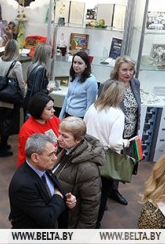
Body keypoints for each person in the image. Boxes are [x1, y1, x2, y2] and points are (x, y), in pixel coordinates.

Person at [8, 133, 76, 244]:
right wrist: (59, 198)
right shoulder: (23, 185)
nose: (55, 158)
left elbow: (54, 190)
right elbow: (48, 218)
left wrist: (67, 199)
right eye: (51, 154)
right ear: (35, 157)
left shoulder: (42, 167)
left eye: (55, 153)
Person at [83, 79, 128, 228]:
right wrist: (126, 143)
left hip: (86, 153)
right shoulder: (117, 114)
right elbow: (115, 143)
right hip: (103, 158)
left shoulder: (93, 107)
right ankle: (95, 224)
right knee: (102, 194)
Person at [53, 117, 104, 229]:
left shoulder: (88, 168)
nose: (58, 138)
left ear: (78, 140)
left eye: (65, 136)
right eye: (59, 133)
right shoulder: (63, 149)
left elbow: (90, 206)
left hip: (67, 221)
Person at [105, 55, 142, 206]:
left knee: (121, 163)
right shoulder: (109, 85)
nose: (128, 73)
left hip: (130, 131)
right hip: (114, 131)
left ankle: (113, 190)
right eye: (124, 70)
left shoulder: (135, 83)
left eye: (131, 70)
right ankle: (103, 194)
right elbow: (103, 108)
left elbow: (136, 107)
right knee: (109, 163)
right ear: (117, 70)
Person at [0, 39, 27, 157]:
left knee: (2, 121)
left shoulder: (0, 60)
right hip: (11, 97)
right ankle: (2, 147)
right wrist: (23, 94)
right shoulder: (16, 64)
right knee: (8, 123)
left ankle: (3, 144)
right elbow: (21, 83)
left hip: (1, 95)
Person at [17, 93, 60, 168]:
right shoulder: (27, 130)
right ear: (39, 110)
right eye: (49, 109)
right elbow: (33, 158)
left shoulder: (52, 119)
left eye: (52, 107)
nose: (53, 110)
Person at [59, 51, 97, 119]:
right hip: (67, 115)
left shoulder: (91, 81)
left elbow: (90, 106)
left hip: (79, 118)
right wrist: (61, 116)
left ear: (86, 65)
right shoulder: (73, 76)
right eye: (74, 62)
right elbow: (67, 97)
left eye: (80, 63)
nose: (76, 65)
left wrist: (84, 123)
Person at [23, 43, 52, 120]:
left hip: (28, 100)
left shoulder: (32, 66)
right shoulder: (41, 70)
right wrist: (47, 90)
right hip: (35, 104)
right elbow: (37, 91)